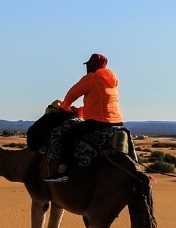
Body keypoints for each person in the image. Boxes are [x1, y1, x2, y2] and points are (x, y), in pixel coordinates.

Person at [42, 53, 127, 183]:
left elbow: (72, 93)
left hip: (100, 122)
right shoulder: (112, 82)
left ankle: (61, 172)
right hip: (118, 122)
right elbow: (101, 102)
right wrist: (80, 110)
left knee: (68, 136)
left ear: (90, 66)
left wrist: (64, 108)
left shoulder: (92, 78)